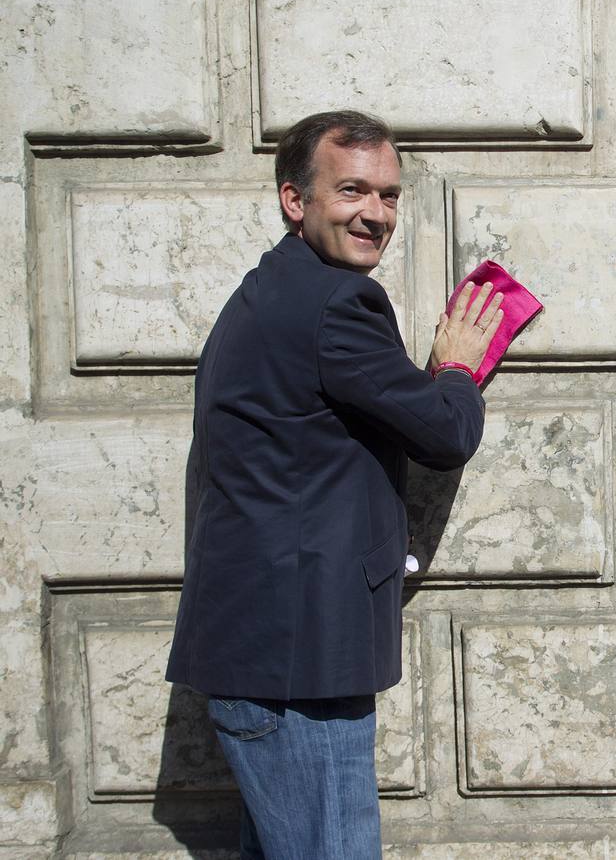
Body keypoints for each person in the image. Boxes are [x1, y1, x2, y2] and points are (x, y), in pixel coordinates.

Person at [166, 110, 504, 858]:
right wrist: (455, 368)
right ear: (296, 199)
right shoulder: (336, 303)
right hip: (298, 664)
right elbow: (445, 435)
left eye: (388, 196)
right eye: (352, 190)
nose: (375, 214)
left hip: (267, 652)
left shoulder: (270, 289)